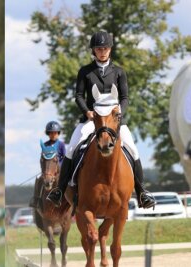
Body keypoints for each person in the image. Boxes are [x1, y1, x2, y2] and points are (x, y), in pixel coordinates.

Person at [47, 31, 155, 209]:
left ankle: (142, 192)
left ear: (110, 49)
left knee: (133, 150)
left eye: (105, 48)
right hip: (92, 120)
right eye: (99, 48)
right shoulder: (85, 71)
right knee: (71, 148)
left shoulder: (119, 72)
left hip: (113, 121)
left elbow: (125, 97)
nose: (102, 51)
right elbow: (79, 96)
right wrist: (87, 111)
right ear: (94, 51)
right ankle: (59, 190)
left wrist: (119, 111)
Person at [29, 121, 66, 208]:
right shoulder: (45, 145)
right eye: (51, 133)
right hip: (47, 170)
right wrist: (44, 171)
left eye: (55, 133)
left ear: (58, 133)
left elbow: (64, 157)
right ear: (48, 134)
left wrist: (59, 167)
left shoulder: (61, 144)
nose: (53, 135)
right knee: (38, 178)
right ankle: (36, 199)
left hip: (58, 169)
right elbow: (43, 159)